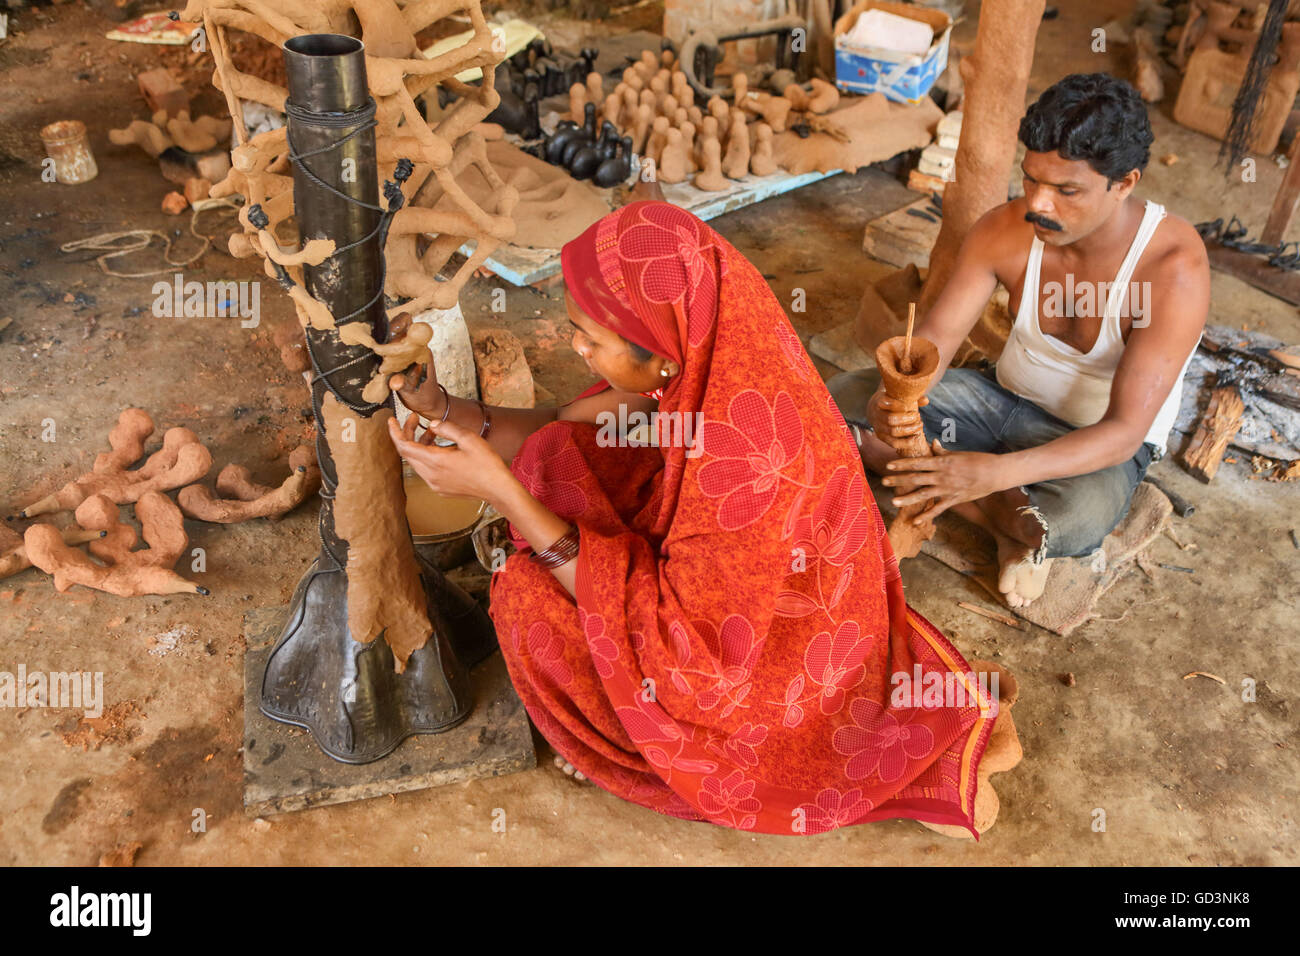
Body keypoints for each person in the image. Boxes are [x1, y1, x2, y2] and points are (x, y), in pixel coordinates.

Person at [387, 201, 1011, 836]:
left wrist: (501, 492)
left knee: (522, 599)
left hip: (761, 667)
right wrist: (441, 406)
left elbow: (692, 663)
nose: (575, 349)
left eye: (592, 339)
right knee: (560, 453)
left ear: (658, 352)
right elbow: (560, 425)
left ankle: (630, 750)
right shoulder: (706, 341)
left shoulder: (741, 457)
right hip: (736, 586)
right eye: (575, 328)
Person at [829, 73, 1209, 608]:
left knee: (1072, 521)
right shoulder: (1004, 229)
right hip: (997, 398)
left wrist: (994, 472)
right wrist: (897, 400)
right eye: (1031, 179)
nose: (1039, 203)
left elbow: (1124, 432)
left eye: (1066, 190)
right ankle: (1001, 521)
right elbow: (935, 340)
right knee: (837, 407)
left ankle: (1002, 515)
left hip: (1093, 438)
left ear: (1124, 183)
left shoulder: (1173, 268)